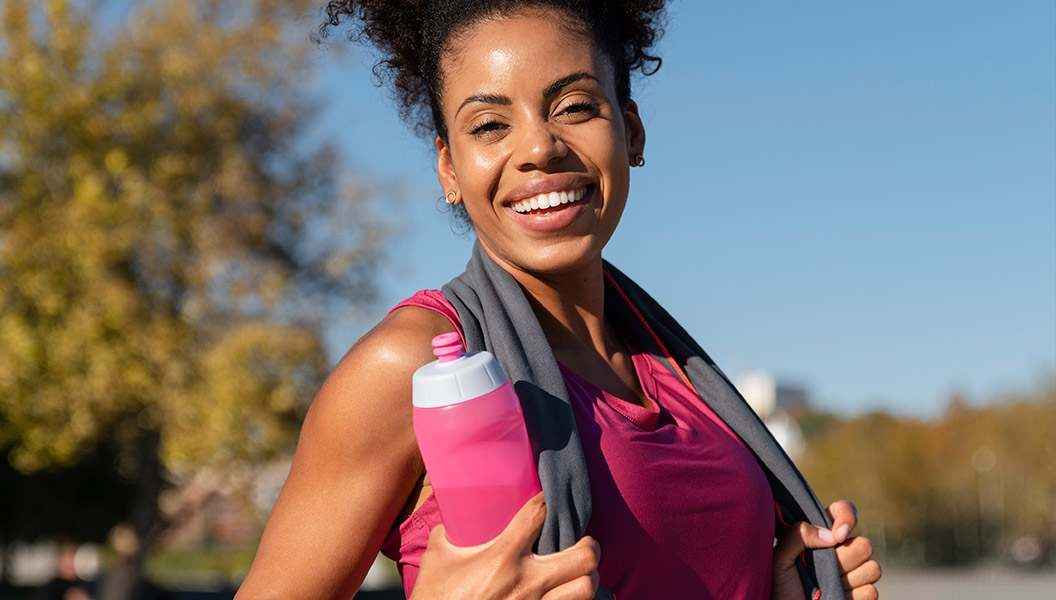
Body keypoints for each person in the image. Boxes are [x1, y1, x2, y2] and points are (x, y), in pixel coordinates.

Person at [238, 1, 883, 599]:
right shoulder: (413, 367)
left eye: (574, 107)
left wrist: (778, 585)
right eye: (490, 124)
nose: (540, 148)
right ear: (449, 170)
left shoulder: (676, 365)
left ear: (630, 130)